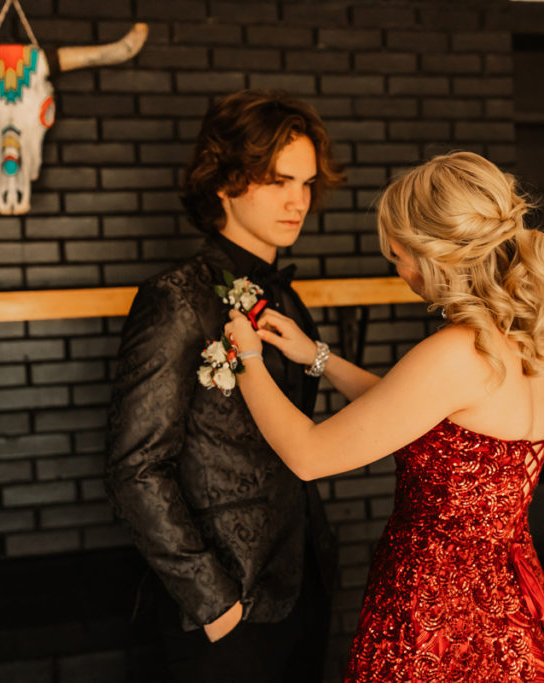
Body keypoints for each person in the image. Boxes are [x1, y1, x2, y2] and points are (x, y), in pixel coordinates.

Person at [224, 151, 544, 682]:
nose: (400, 272)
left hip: (437, 613)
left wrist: (245, 357)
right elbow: (427, 423)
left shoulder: (456, 352)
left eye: (398, 257)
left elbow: (308, 455)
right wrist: (318, 357)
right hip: (510, 602)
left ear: (436, 252)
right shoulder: (531, 339)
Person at [104, 89, 344, 683]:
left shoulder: (287, 299)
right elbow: (136, 467)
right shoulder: (177, 298)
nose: (299, 201)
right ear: (224, 181)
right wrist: (213, 602)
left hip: (304, 583)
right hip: (225, 604)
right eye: (278, 181)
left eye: (307, 184)